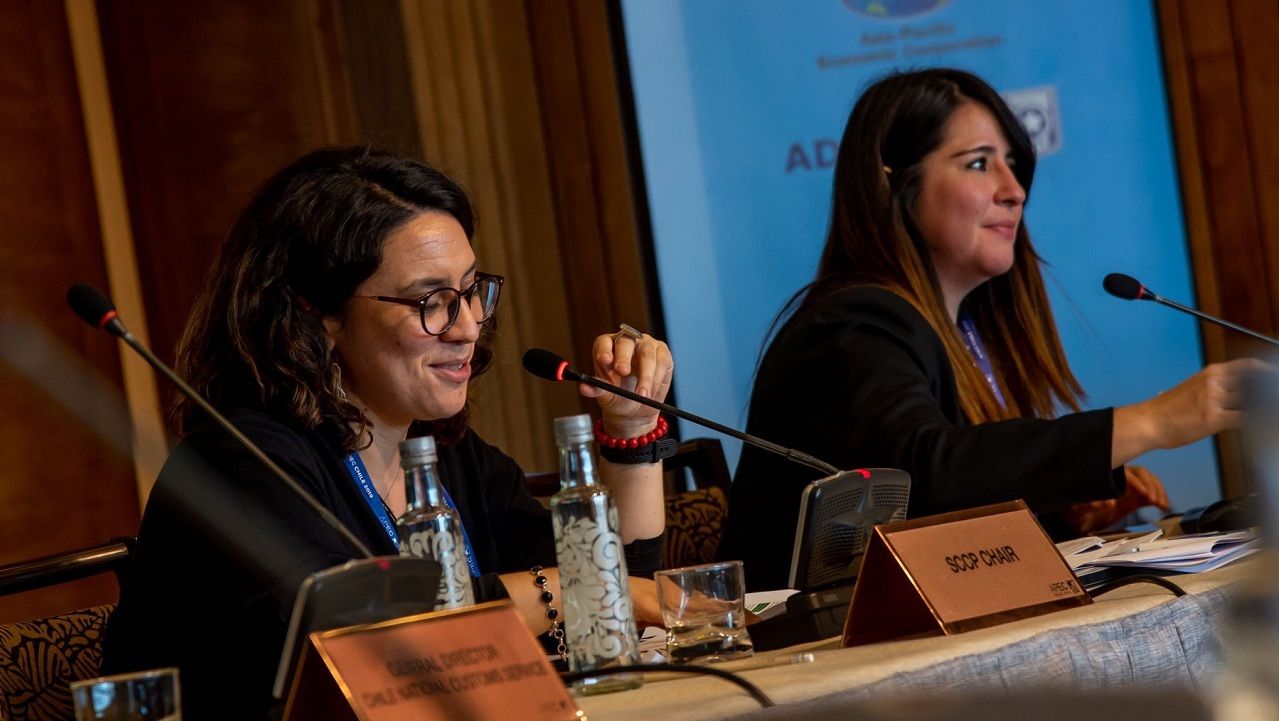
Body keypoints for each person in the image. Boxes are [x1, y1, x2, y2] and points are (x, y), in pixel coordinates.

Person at [100, 147, 675, 719]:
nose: (469, 326)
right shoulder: (239, 462)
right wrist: (573, 588)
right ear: (317, 313)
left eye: (470, 291)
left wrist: (632, 427)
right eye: (430, 301)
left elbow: (618, 595)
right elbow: (363, 643)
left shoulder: (446, 454)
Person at [719, 68, 1260, 592]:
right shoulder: (851, 326)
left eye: (1012, 164)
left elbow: (955, 515)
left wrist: (1066, 518)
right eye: (978, 163)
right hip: (803, 646)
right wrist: (1154, 421)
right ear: (894, 183)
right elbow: (920, 477)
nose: (1014, 190)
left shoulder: (964, 330)